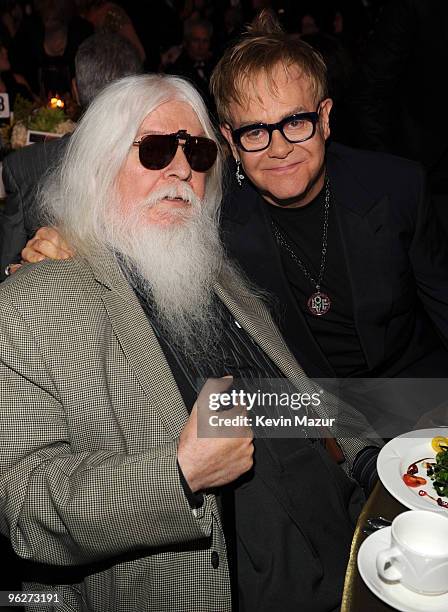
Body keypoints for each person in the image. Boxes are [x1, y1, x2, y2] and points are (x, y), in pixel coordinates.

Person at [0, 73, 378, 612]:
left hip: (354, 551)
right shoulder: (40, 299)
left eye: (198, 153)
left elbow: (290, 397)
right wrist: (179, 474)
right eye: (155, 150)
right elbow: (25, 504)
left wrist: (370, 459)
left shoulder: (216, 275)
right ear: (99, 164)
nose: (182, 169)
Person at [206, 11, 448, 393]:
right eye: (255, 131)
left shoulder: (398, 187)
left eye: (296, 122)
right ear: (232, 141)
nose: (280, 148)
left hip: (413, 396)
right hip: (308, 419)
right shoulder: (215, 227)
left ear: (325, 118)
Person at [0, 31, 142, 280]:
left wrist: (12, 270)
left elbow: (6, 269)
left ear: (75, 89)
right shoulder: (163, 163)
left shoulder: (25, 165)